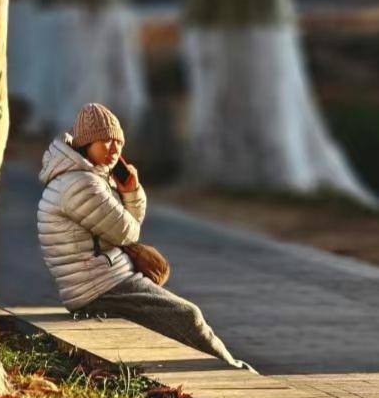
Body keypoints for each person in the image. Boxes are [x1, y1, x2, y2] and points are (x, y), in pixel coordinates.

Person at [37, 101, 256, 371]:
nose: (114, 149)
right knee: (188, 316)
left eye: (118, 142)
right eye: (104, 141)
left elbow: (126, 228)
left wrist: (131, 190)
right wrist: (128, 195)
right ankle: (234, 373)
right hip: (101, 289)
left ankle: (231, 369)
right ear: (85, 144)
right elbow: (127, 231)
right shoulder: (80, 184)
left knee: (179, 316)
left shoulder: (85, 177)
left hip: (102, 283)